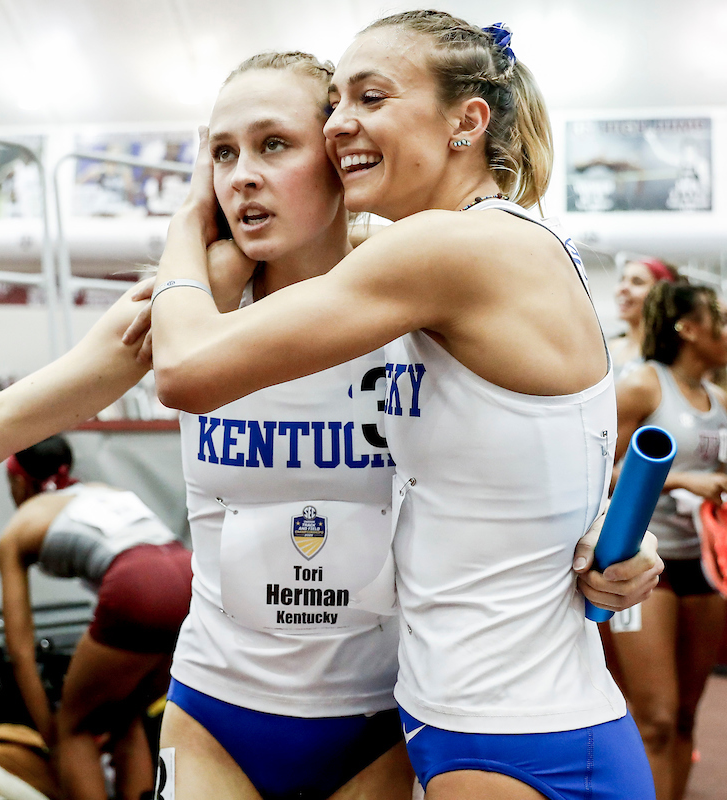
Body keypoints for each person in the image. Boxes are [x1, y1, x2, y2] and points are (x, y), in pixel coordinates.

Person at [146, 11, 662, 799]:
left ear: (468, 121)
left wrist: (187, 225)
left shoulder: (444, 251)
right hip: (442, 719)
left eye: (371, 97)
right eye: (335, 106)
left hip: (508, 731)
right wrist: (602, 534)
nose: (341, 125)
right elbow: (525, 455)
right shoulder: (433, 271)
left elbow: (183, 369)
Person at [157, 51, 413, 800]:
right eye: (223, 153)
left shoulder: (423, 319)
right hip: (214, 708)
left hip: (383, 713)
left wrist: (607, 531)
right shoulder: (184, 316)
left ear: (339, 158)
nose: (241, 176)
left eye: (274, 145)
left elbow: (525, 459)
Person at [0, 436, 191, 800]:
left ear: (20, 482)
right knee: (124, 716)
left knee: (77, 726)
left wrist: (54, 734)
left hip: (140, 584)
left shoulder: (19, 527)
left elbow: (21, 651)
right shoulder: (101, 490)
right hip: (190, 575)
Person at [611, 281, 727, 800]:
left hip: (703, 566)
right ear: (689, 328)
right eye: (719, 318)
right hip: (642, 564)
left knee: (683, 717)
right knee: (654, 718)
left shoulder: (721, 401)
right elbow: (601, 471)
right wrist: (682, 479)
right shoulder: (642, 386)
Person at [609, 255, 681, 379]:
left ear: (660, 295)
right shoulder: (611, 348)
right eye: (622, 280)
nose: (623, 288)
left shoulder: (671, 357)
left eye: (637, 282)